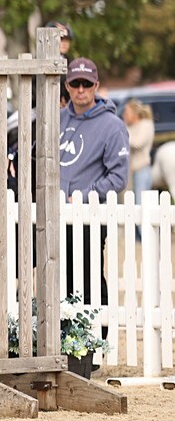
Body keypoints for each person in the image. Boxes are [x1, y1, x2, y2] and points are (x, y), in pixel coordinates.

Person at [58, 57, 129, 305]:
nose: (80, 89)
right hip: (55, 215)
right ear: (66, 85)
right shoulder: (55, 120)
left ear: (96, 85)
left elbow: (118, 177)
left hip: (90, 215)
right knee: (59, 280)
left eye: (86, 84)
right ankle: (66, 339)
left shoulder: (112, 126)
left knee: (89, 279)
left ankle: (100, 336)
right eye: (75, 83)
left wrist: (81, 196)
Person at [122, 98, 154, 194]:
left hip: (141, 171)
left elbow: (137, 143)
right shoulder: (129, 126)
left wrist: (122, 134)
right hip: (130, 173)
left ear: (135, 114)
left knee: (141, 204)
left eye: (126, 112)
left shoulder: (146, 125)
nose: (124, 115)